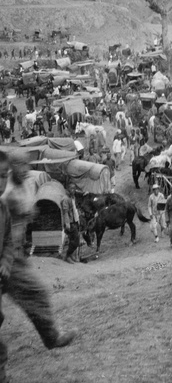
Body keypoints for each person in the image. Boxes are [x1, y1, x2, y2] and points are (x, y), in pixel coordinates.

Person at [1, 149, 77, 357]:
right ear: (11, 167)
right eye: (20, 166)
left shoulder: (22, 185)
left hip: (13, 255)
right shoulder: (5, 189)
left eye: (27, 165)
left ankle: (52, 337)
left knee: (35, 293)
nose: (25, 170)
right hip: (7, 256)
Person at [0, 150, 14, 383]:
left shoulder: (3, 210)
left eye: (4, 176)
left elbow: (9, 241)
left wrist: (5, 261)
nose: (2, 181)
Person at [61, 182, 80, 264]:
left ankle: (70, 255)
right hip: (70, 223)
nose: (73, 190)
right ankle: (67, 256)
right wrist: (67, 223)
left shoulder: (72, 197)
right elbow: (65, 212)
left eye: (74, 189)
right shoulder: (65, 199)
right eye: (72, 189)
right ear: (68, 189)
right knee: (75, 241)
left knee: (73, 240)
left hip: (74, 221)